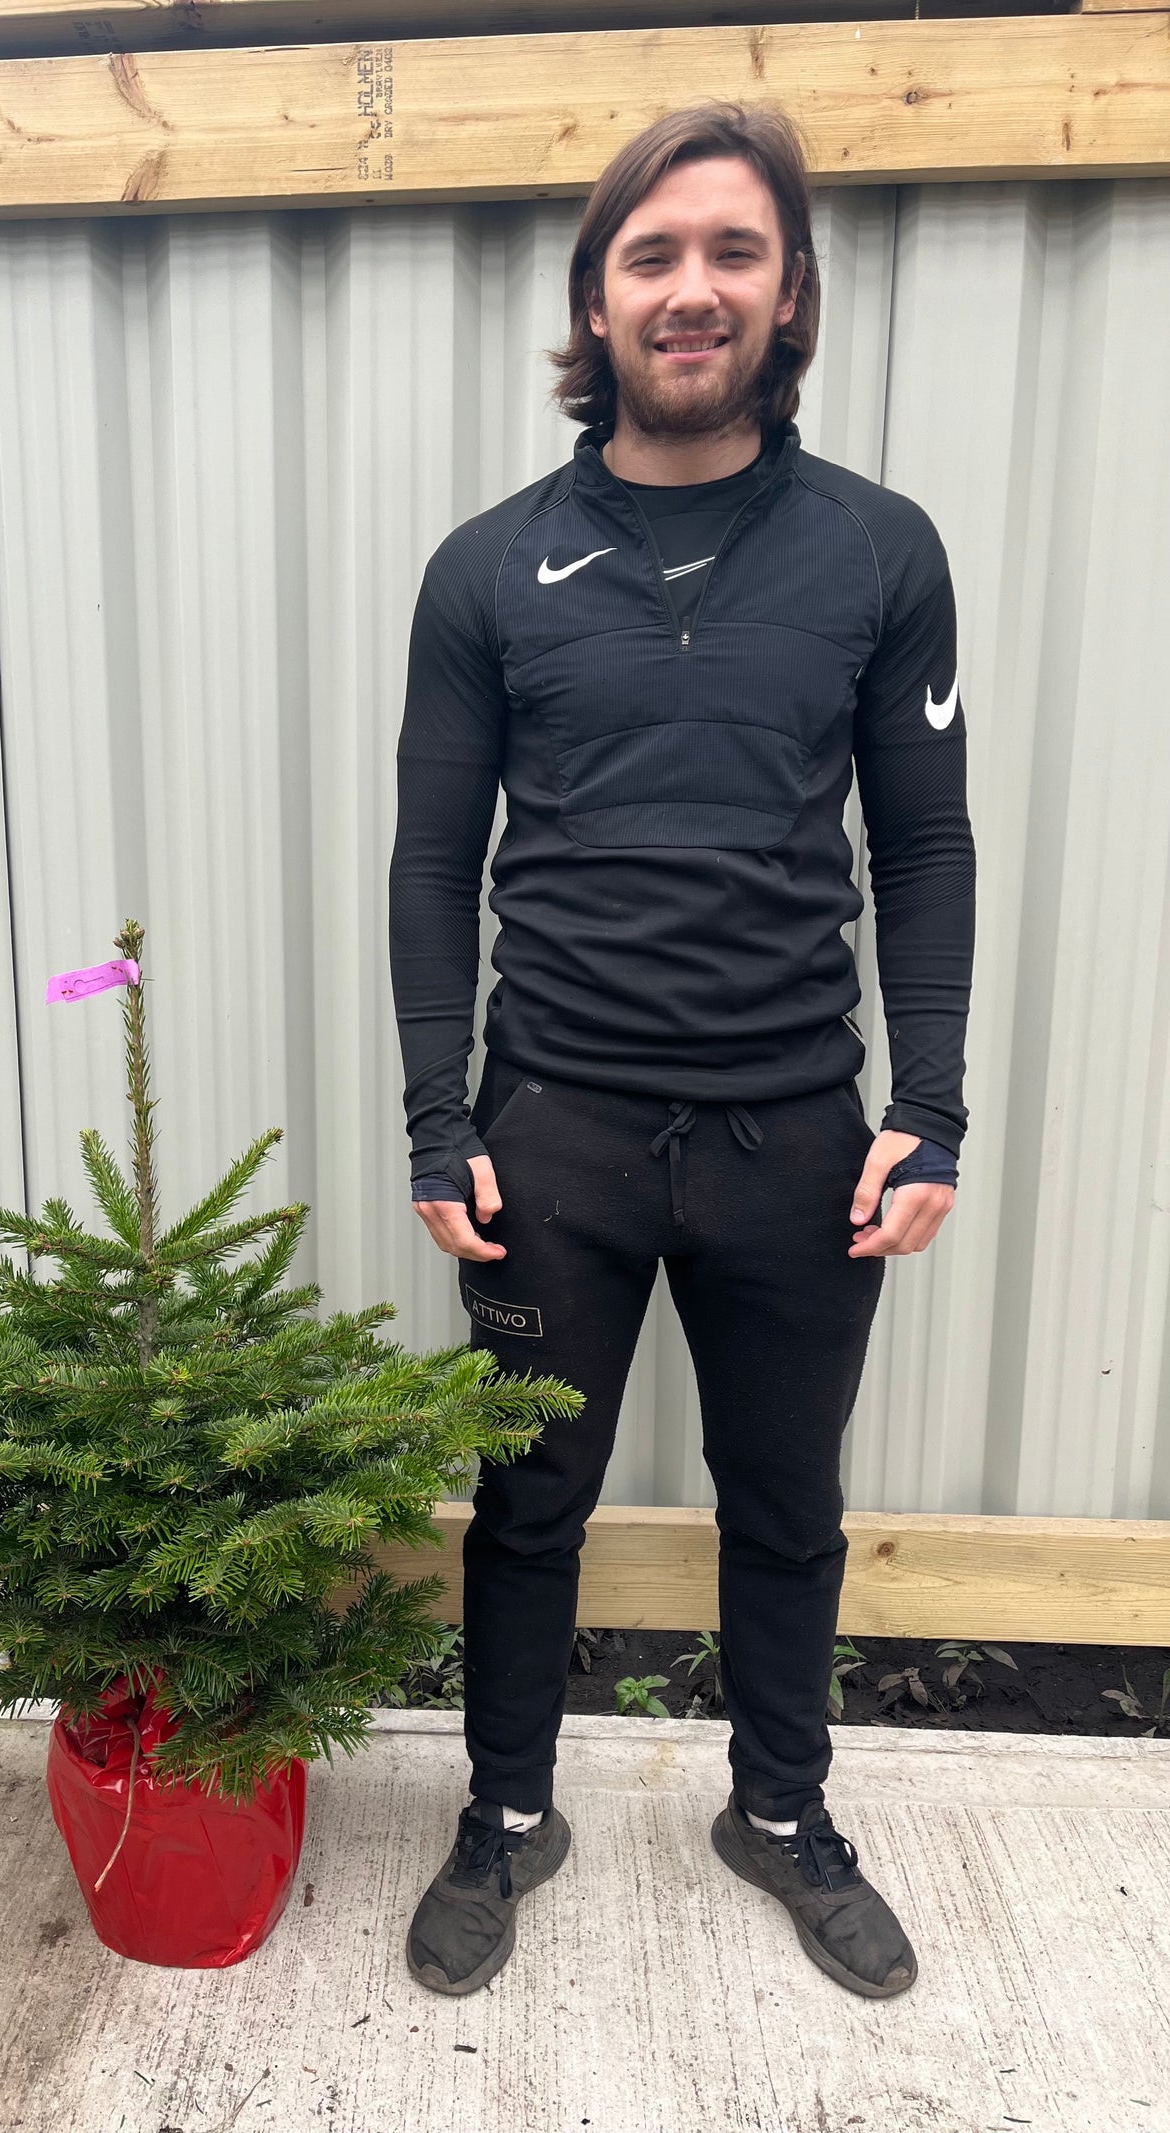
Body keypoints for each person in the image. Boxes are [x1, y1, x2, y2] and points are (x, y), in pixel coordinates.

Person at [387, 101, 974, 2001]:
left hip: (799, 1136)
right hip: (551, 1133)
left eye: (732, 249)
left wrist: (931, 1107)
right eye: (652, 254)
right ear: (598, 297)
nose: (693, 286)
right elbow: (431, 856)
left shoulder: (882, 552)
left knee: (787, 1503)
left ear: (788, 289)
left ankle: (781, 1810)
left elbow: (926, 846)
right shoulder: (488, 570)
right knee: (528, 1502)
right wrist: (434, 1115)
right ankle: (504, 1808)